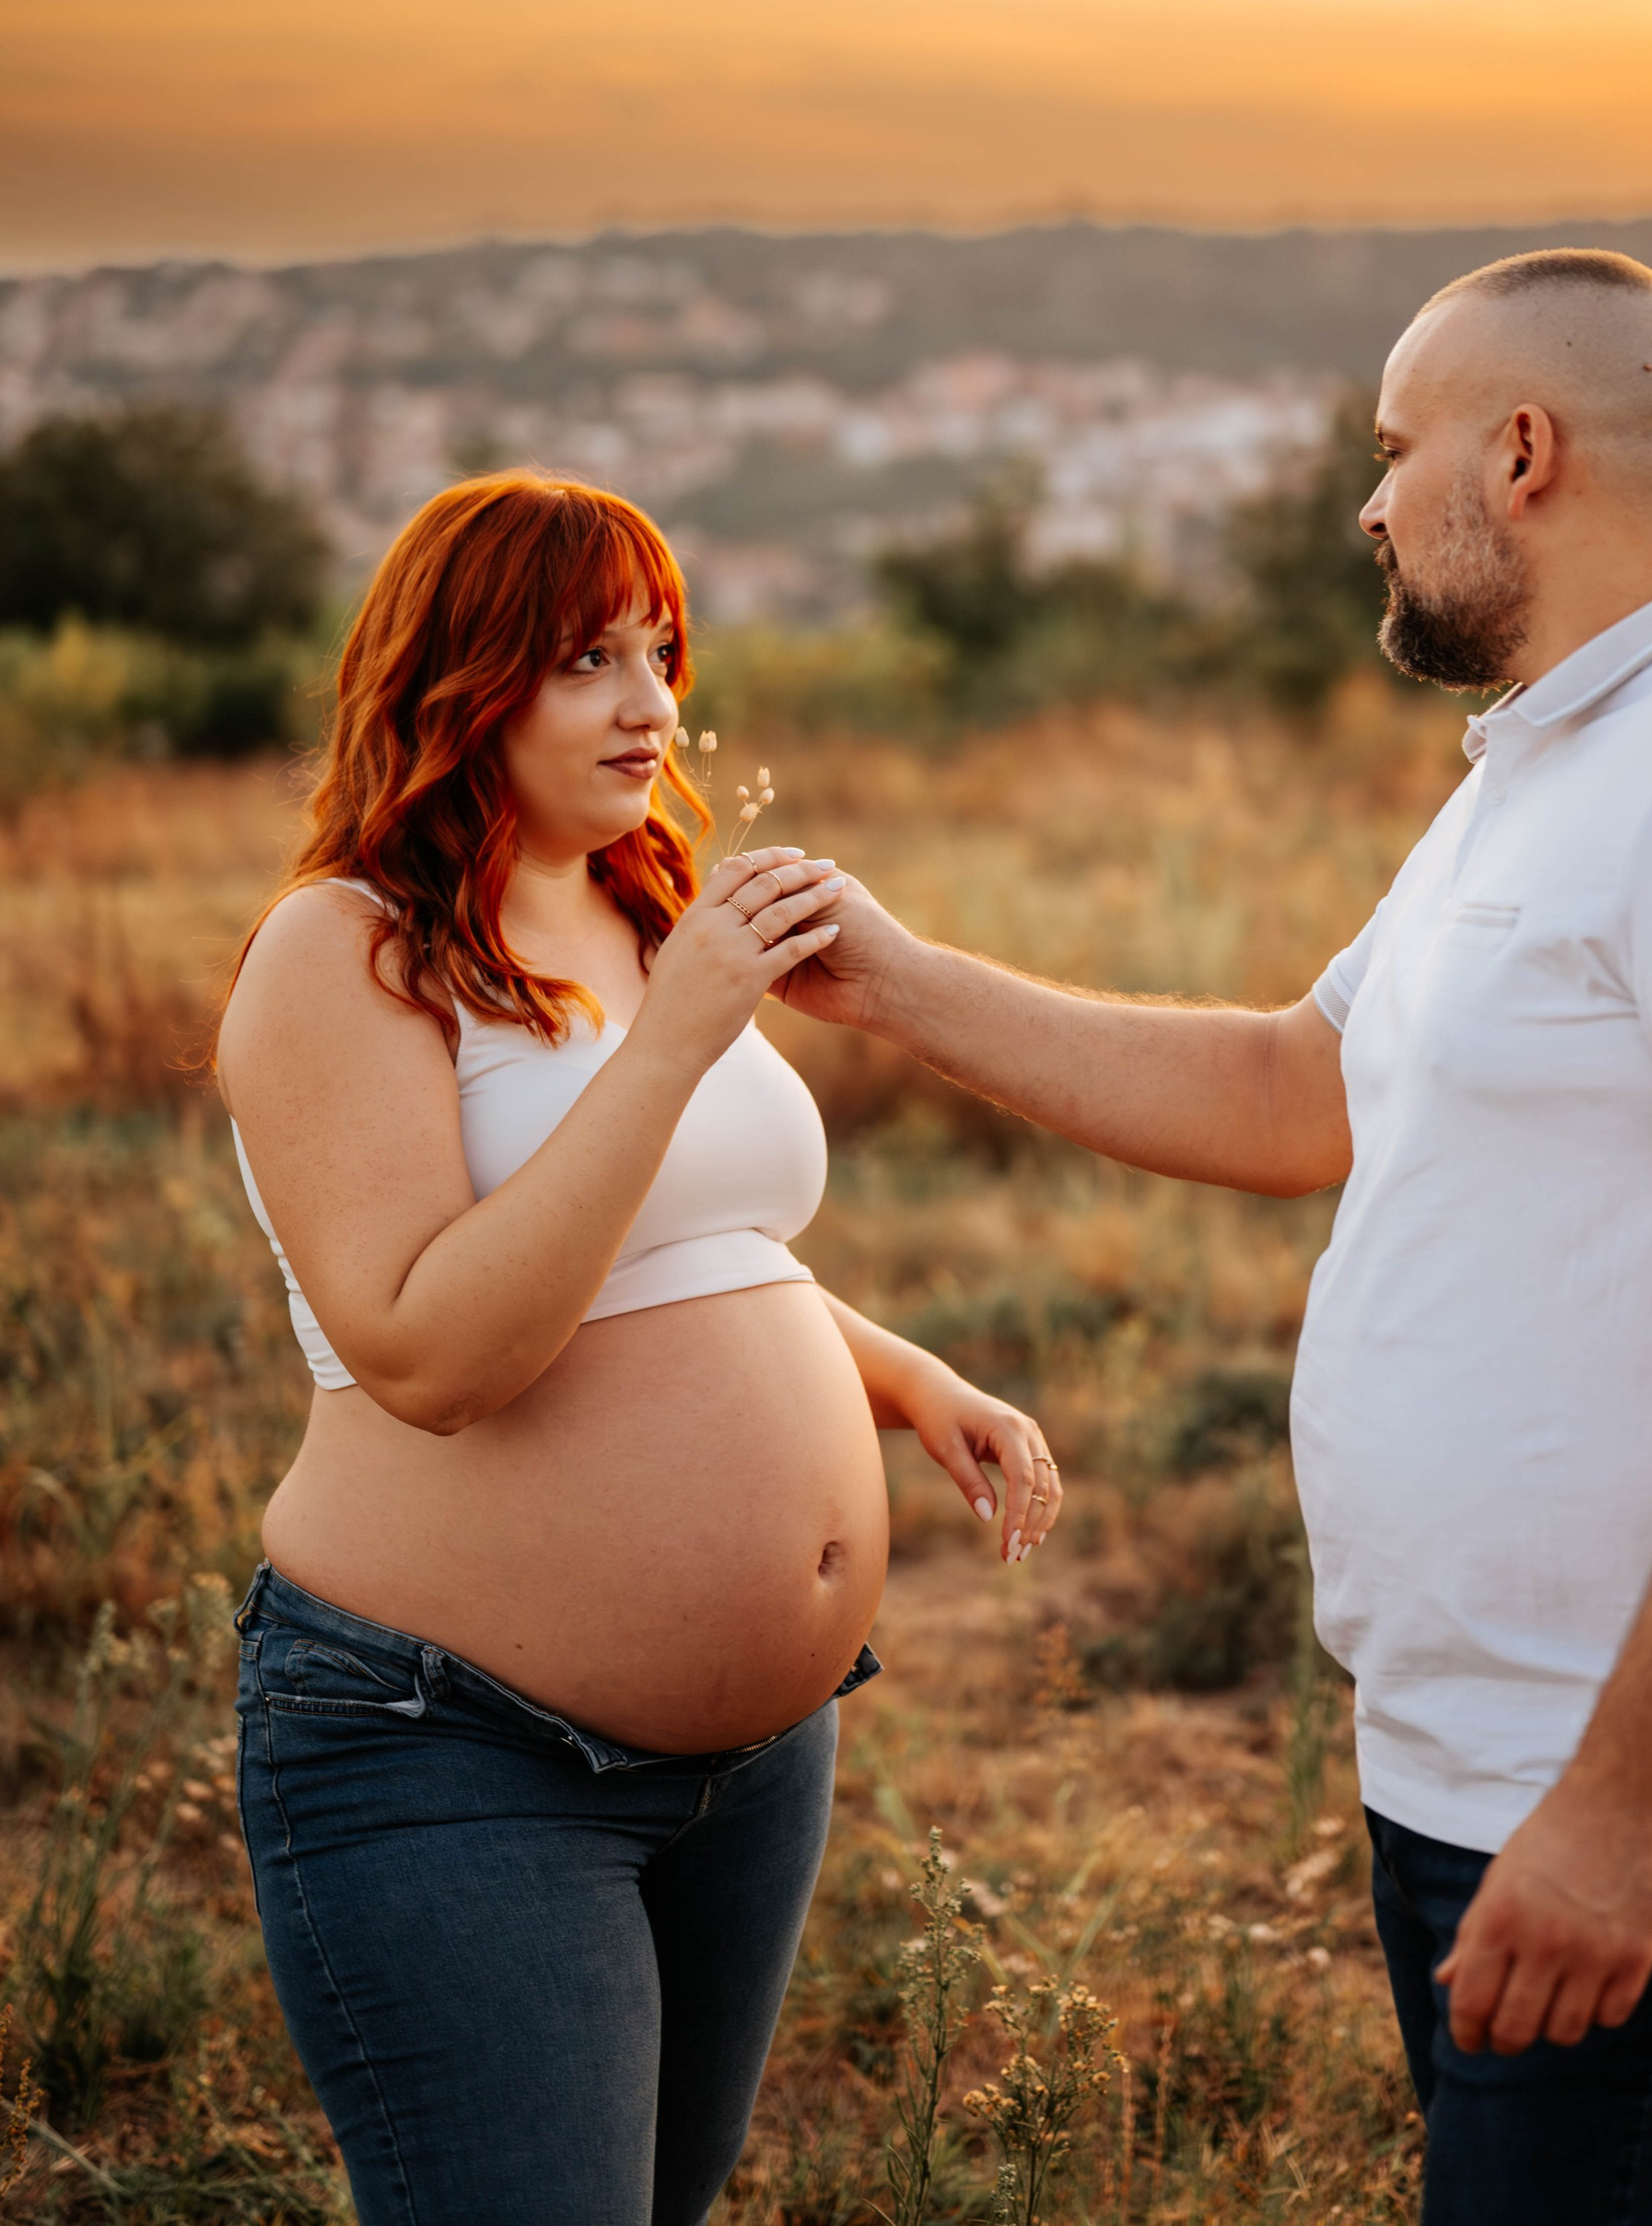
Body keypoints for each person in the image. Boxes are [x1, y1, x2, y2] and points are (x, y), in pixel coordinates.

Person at [774, 249, 1652, 2226]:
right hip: (1464, 1745)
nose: (1366, 500)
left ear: (1521, 449)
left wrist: (1623, 1802)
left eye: (1393, 449)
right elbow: (1287, 1089)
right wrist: (893, 985)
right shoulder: (1535, 772)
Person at [218, 473, 1062, 2226]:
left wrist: (906, 1380)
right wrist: (670, 1041)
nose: (652, 704)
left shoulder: (635, 903)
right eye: (588, 656)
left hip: (758, 1762)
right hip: (455, 1739)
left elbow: (686, 1250)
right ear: (462, 680)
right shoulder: (343, 950)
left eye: (661, 652)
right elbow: (432, 1352)